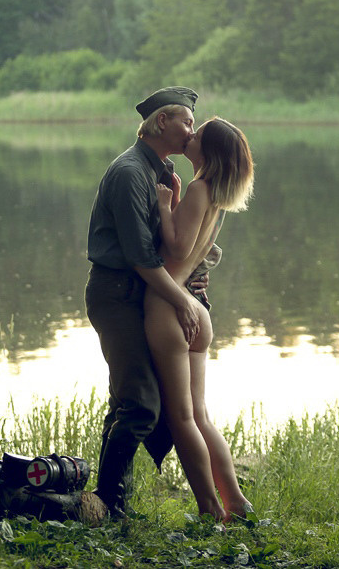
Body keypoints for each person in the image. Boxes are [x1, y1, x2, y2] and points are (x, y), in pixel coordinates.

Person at [84, 86, 205, 519]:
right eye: (186, 122)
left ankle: (108, 501)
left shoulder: (163, 172)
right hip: (117, 294)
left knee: (126, 399)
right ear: (161, 123)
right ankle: (111, 503)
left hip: (138, 294)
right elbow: (139, 257)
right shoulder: (131, 172)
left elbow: (166, 245)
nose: (192, 130)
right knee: (140, 403)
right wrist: (186, 304)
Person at [146, 117, 255, 522]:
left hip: (170, 307)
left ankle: (210, 510)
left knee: (181, 418)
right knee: (201, 414)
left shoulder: (198, 188)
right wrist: (174, 203)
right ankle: (236, 502)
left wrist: (161, 206)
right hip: (198, 309)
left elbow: (176, 245)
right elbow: (192, 249)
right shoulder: (217, 197)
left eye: (197, 136)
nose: (189, 137)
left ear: (207, 153)